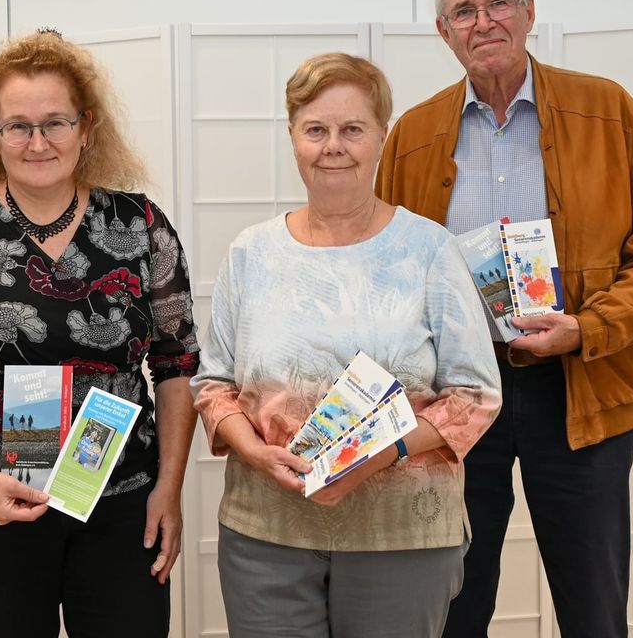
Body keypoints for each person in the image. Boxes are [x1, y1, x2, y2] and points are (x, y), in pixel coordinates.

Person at [375, 0, 633, 636]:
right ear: (443, 32)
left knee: (592, 603)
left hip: (583, 388)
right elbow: (388, 270)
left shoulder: (607, 110)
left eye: (498, 2)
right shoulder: (412, 135)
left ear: (528, 12)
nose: (484, 21)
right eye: (463, 11)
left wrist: (588, 329)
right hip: (459, 399)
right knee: (452, 603)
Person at [0, 30, 200, 638]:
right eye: (18, 126)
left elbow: (176, 364)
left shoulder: (139, 224)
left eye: (55, 122)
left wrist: (169, 486)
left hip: (121, 499)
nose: (38, 142)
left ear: (86, 128)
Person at [190, 52, 501, 638]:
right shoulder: (250, 253)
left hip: (402, 535)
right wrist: (253, 452)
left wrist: (374, 457)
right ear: (293, 138)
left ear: (382, 135)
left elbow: (475, 396)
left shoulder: (429, 250)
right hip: (267, 535)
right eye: (316, 129)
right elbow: (214, 385)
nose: (334, 145)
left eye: (352, 128)